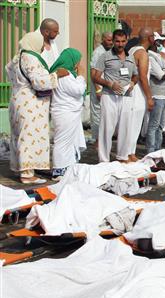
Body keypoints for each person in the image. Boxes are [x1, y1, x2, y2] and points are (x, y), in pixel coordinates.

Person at [6, 31, 67, 184]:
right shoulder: (30, 57)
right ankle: (27, 175)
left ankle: (21, 168)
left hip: (17, 99)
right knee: (28, 137)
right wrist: (56, 75)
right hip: (30, 103)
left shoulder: (16, 57)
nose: (42, 48)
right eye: (40, 44)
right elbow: (39, 82)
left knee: (19, 136)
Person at [92, 29, 138, 163]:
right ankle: (104, 160)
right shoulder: (105, 56)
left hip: (126, 96)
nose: (120, 44)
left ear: (126, 41)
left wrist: (132, 83)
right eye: (117, 41)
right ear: (113, 41)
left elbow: (136, 75)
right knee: (107, 128)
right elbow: (95, 76)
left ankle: (123, 157)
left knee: (125, 128)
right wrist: (109, 84)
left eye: (123, 41)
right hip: (109, 96)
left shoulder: (130, 57)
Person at [49, 48, 86, 180]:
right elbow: (79, 90)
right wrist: (81, 76)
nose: (78, 65)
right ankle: (59, 170)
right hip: (66, 113)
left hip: (64, 112)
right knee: (63, 141)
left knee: (67, 141)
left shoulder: (60, 73)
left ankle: (67, 167)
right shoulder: (66, 75)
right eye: (77, 61)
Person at [128, 27, 155, 161]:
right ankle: (130, 153)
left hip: (133, 92)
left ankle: (130, 152)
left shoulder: (132, 50)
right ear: (150, 38)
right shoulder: (142, 53)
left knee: (132, 123)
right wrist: (149, 97)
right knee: (135, 123)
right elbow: (143, 77)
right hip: (138, 93)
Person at [146, 43, 165, 153]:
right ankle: (151, 151)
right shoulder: (150, 58)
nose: (159, 45)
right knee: (154, 125)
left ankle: (158, 149)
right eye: (157, 43)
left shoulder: (158, 57)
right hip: (157, 95)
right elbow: (160, 76)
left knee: (160, 126)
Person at [89, 32, 113, 145]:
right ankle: (97, 140)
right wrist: (98, 89)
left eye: (112, 40)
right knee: (98, 114)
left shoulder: (110, 51)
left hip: (107, 87)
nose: (111, 42)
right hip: (99, 88)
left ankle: (105, 139)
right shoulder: (98, 52)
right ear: (103, 40)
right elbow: (93, 72)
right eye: (108, 40)